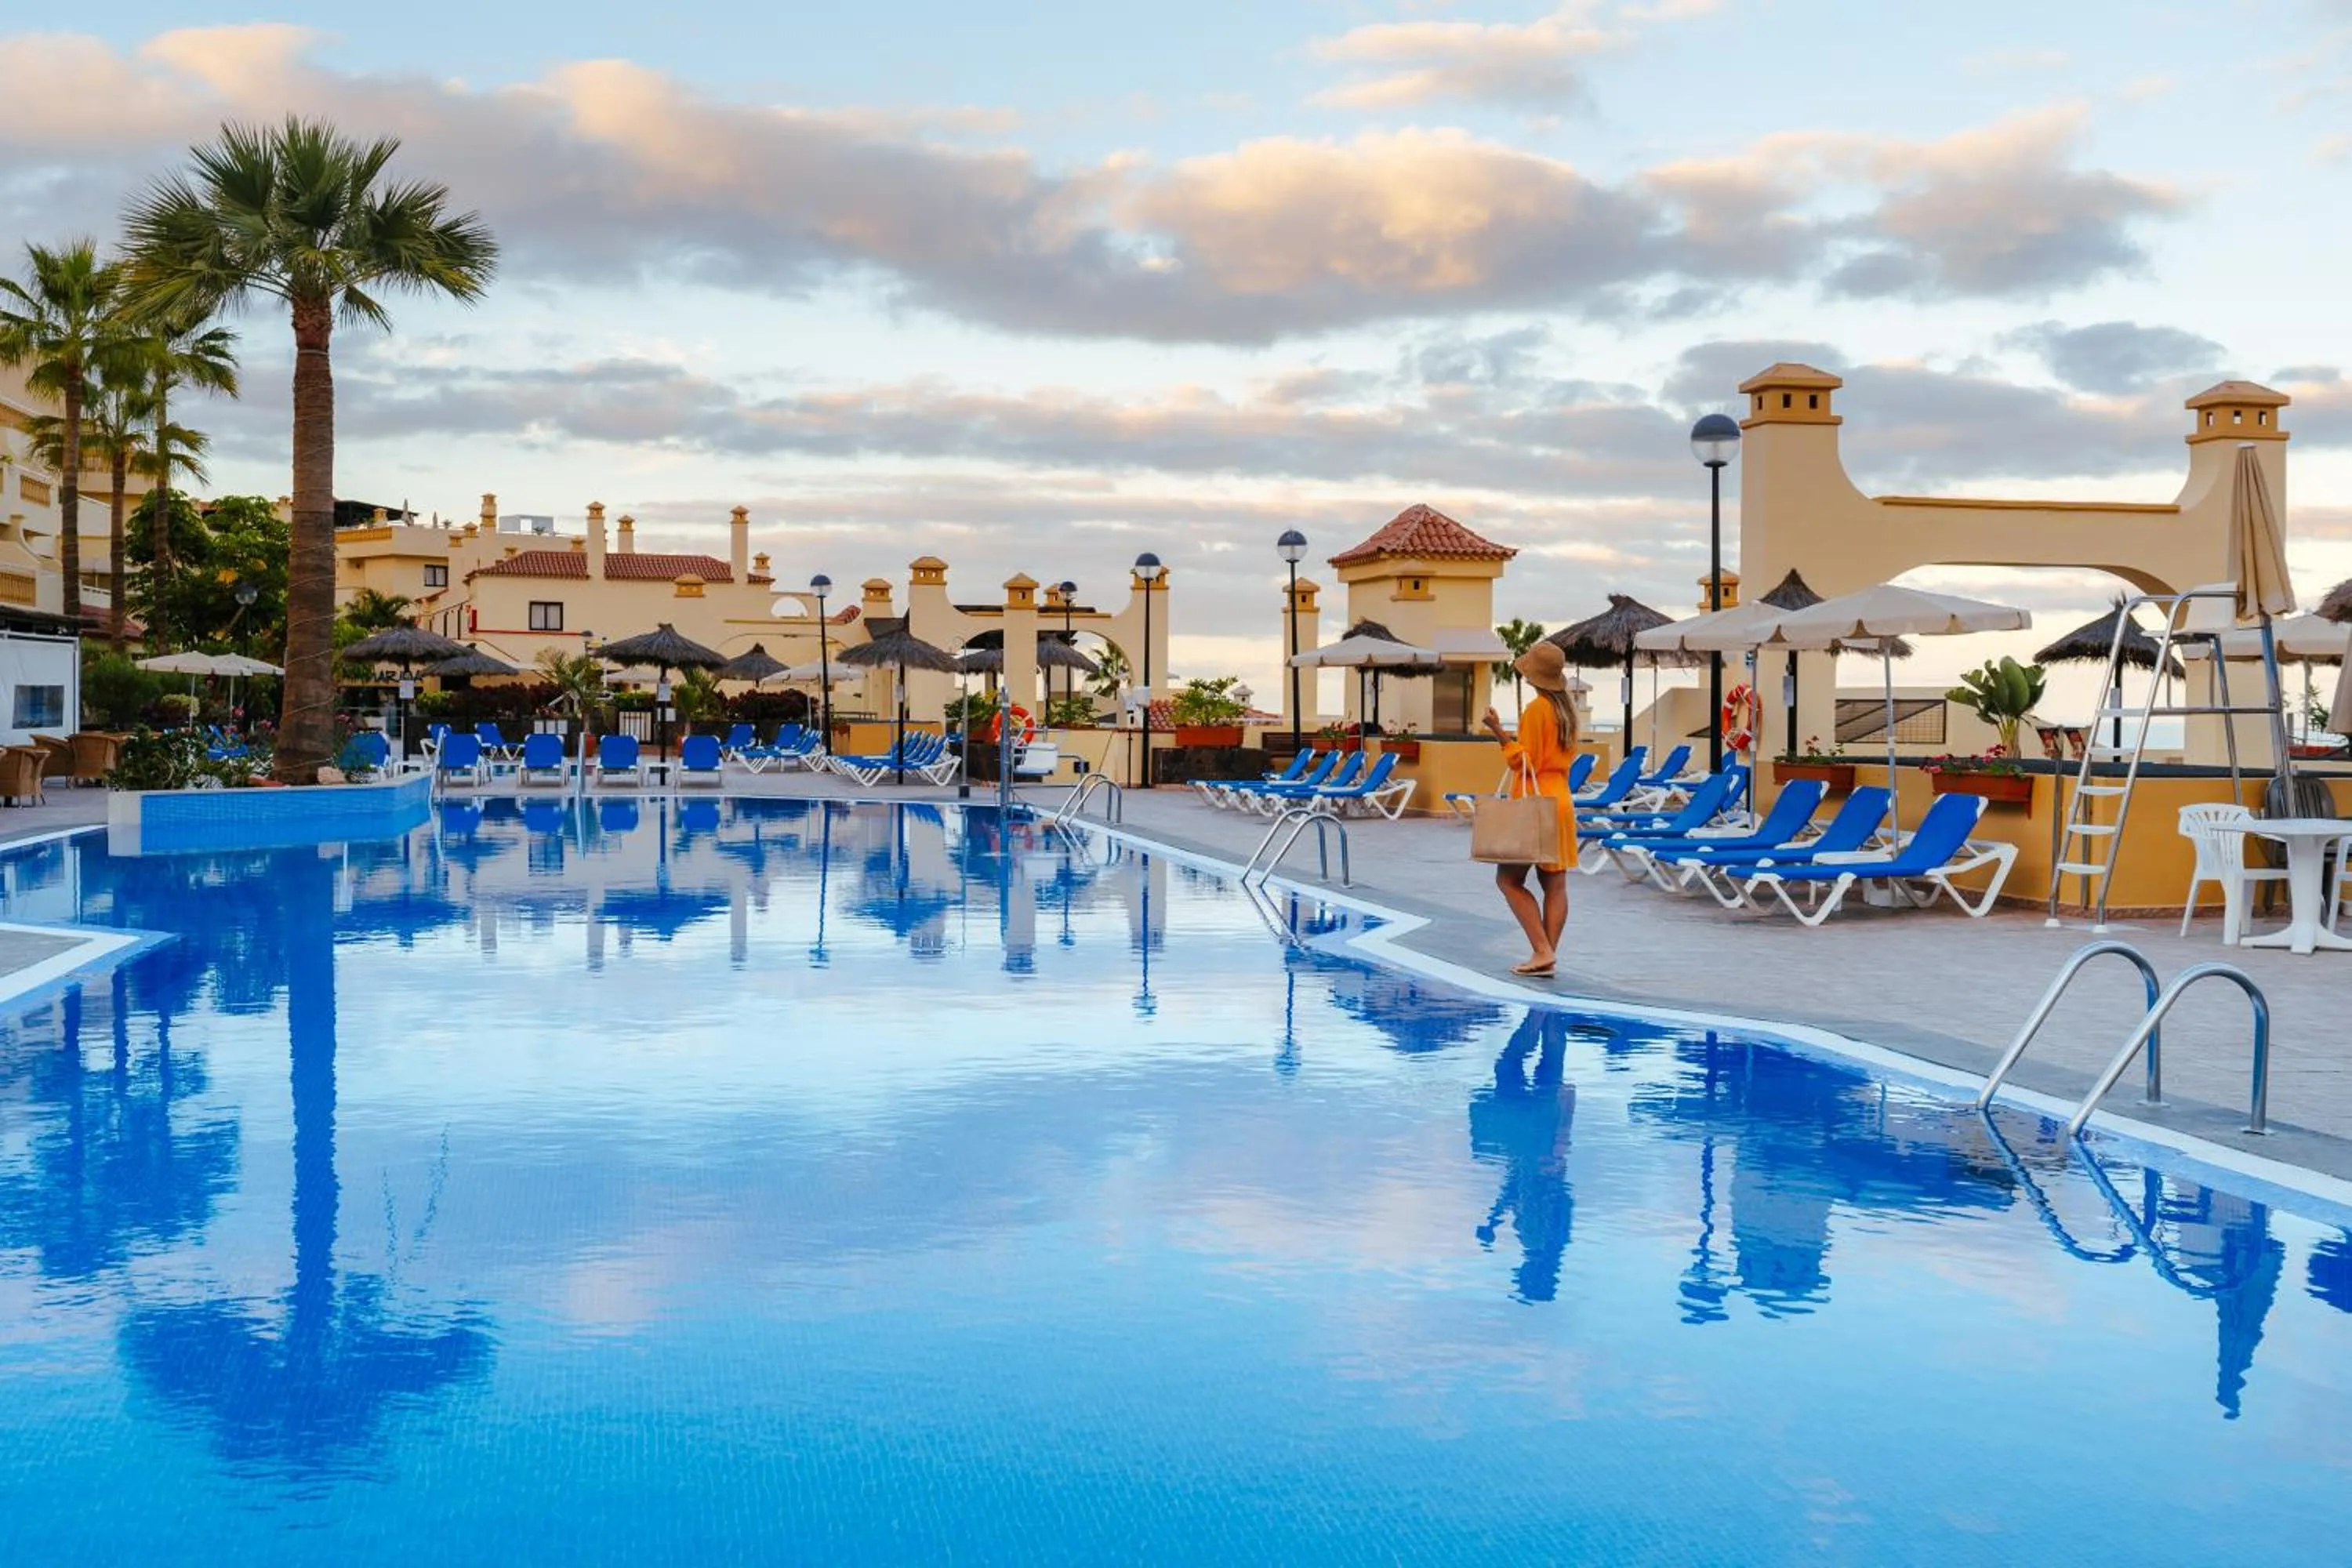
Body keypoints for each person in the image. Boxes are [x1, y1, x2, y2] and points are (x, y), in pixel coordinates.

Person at [1482, 641, 1579, 977]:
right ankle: (1546, 956)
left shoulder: (1538, 709)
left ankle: (1541, 950)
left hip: (1535, 803)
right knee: (1555, 885)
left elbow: (1523, 760)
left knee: (1508, 880)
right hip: (1560, 799)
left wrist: (1497, 731)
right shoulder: (1567, 712)